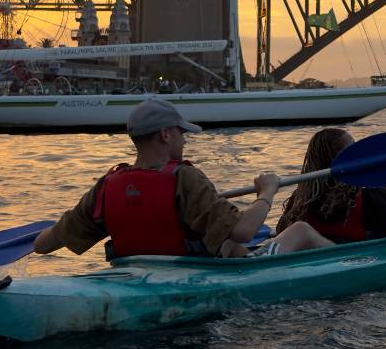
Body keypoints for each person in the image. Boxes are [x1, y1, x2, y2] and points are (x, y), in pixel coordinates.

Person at [30, 97, 280, 260]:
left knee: (225, 243)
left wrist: (56, 228)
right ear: (165, 135)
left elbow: (42, 245)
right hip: (187, 279)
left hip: (132, 278)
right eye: (181, 133)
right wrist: (267, 192)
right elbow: (245, 231)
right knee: (244, 242)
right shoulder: (186, 178)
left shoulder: (107, 186)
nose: (184, 139)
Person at [263, 126, 386, 254]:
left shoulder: (300, 198)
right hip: (342, 263)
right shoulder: (369, 193)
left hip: (308, 263)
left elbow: (281, 234)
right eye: (353, 150)